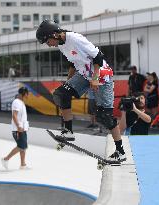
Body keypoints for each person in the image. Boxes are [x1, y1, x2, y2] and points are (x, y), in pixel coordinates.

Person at [36, 19, 126, 162]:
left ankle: (120, 152)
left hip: (101, 75)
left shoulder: (75, 39)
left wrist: (95, 78)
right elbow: (73, 62)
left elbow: (99, 57)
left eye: (48, 41)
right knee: (61, 94)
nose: (49, 45)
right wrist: (68, 82)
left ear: (54, 34)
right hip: (84, 74)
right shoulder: (61, 44)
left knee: (105, 116)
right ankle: (68, 131)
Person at [1, 87, 30, 170]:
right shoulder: (17, 102)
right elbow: (14, 115)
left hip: (22, 129)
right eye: (27, 93)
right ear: (23, 93)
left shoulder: (21, 102)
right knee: (21, 146)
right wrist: (18, 126)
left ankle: (23, 164)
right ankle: (5, 159)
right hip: (18, 129)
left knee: (23, 147)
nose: (28, 95)